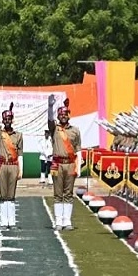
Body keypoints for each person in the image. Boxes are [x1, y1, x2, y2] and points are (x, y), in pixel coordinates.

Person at [48, 96, 81, 230]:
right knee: (58, 193)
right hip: (57, 164)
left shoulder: (75, 130)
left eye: (65, 114)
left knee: (68, 193)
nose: (63, 117)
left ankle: (67, 221)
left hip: (70, 164)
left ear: (69, 115)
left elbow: (78, 150)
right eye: (60, 115)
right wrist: (50, 107)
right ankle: (58, 221)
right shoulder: (54, 129)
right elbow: (50, 120)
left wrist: (78, 167)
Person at [0, 99, 22, 229]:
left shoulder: (18, 135)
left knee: (12, 194)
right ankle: (4, 222)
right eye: (5, 119)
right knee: (3, 194)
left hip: (14, 165)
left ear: (12, 119)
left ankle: (12, 222)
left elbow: (20, 153)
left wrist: (21, 169)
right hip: (2, 166)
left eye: (9, 118)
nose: (7, 120)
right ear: (3, 120)